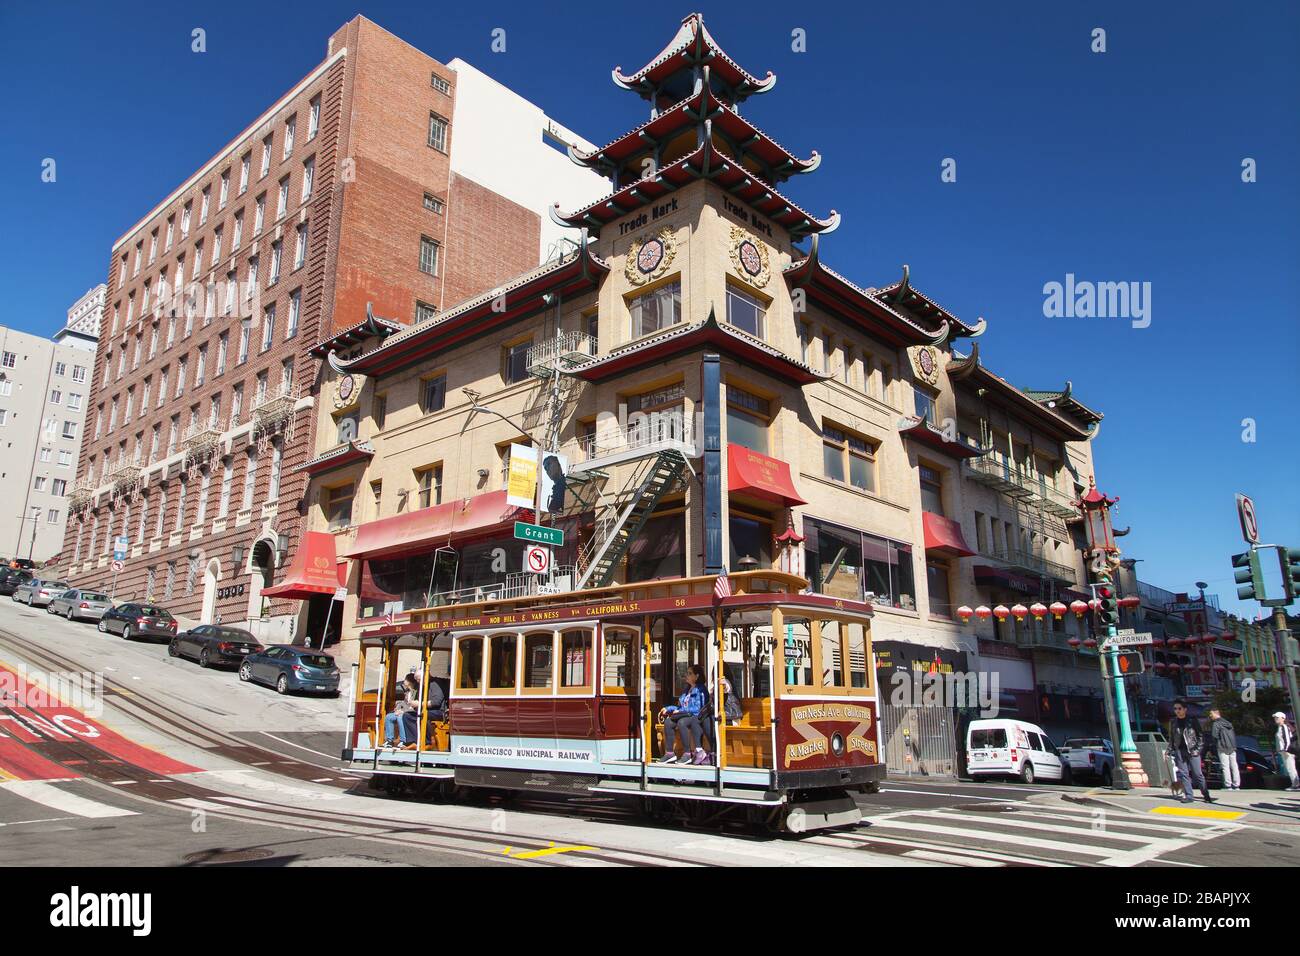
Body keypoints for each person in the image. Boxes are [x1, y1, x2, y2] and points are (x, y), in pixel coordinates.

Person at [1166, 699, 1214, 804]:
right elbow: (1172, 738)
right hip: (1180, 750)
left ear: (1185, 709)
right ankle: (1189, 795)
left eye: (1179, 708)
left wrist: (1197, 750)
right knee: (1184, 774)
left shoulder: (1192, 721)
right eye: (1175, 709)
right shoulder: (1173, 722)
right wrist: (1169, 750)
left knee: (1198, 774)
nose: (1177, 711)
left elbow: (1200, 736)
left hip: (1192, 750)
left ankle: (1205, 794)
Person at [658, 664, 708, 765]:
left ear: (697, 676)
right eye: (687, 673)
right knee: (668, 722)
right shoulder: (687, 690)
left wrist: (681, 711)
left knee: (682, 722)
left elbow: (698, 708)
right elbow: (681, 707)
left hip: (696, 717)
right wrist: (668, 709)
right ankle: (670, 753)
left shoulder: (701, 690)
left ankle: (687, 754)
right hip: (685, 714)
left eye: (690, 673)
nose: (687, 675)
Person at [383, 675, 420, 749]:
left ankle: (403, 740)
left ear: (409, 681)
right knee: (389, 717)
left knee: (401, 717)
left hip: (412, 713)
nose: (404, 681)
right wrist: (397, 709)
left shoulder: (417, 691)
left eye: (405, 680)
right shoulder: (407, 691)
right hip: (404, 711)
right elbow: (404, 703)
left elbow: (414, 705)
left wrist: (402, 711)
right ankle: (390, 740)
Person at [1206, 707, 1240, 791]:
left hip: (1222, 747)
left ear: (1216, 713)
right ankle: (1236, 785)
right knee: (1234, 766)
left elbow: (1214, 736)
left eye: (1211, 714)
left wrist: (1214, 746)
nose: (1210, 716)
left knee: (1225, 766)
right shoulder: (1228, 723)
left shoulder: (1216, 724)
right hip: (1232, 747)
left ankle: (1228, 785)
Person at [1274, 712, 1299, 791]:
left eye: (1277, 718)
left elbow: (1287, 739)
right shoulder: (1280, 727)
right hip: (1284, 751)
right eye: (1275, 718)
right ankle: (1295, 784)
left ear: (1283, 718)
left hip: (1287, 751)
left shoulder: (1284, 727)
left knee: (1291, 767)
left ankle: (1296, 785)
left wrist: (1286, 749)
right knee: (1290, 768)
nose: (1276, 719)